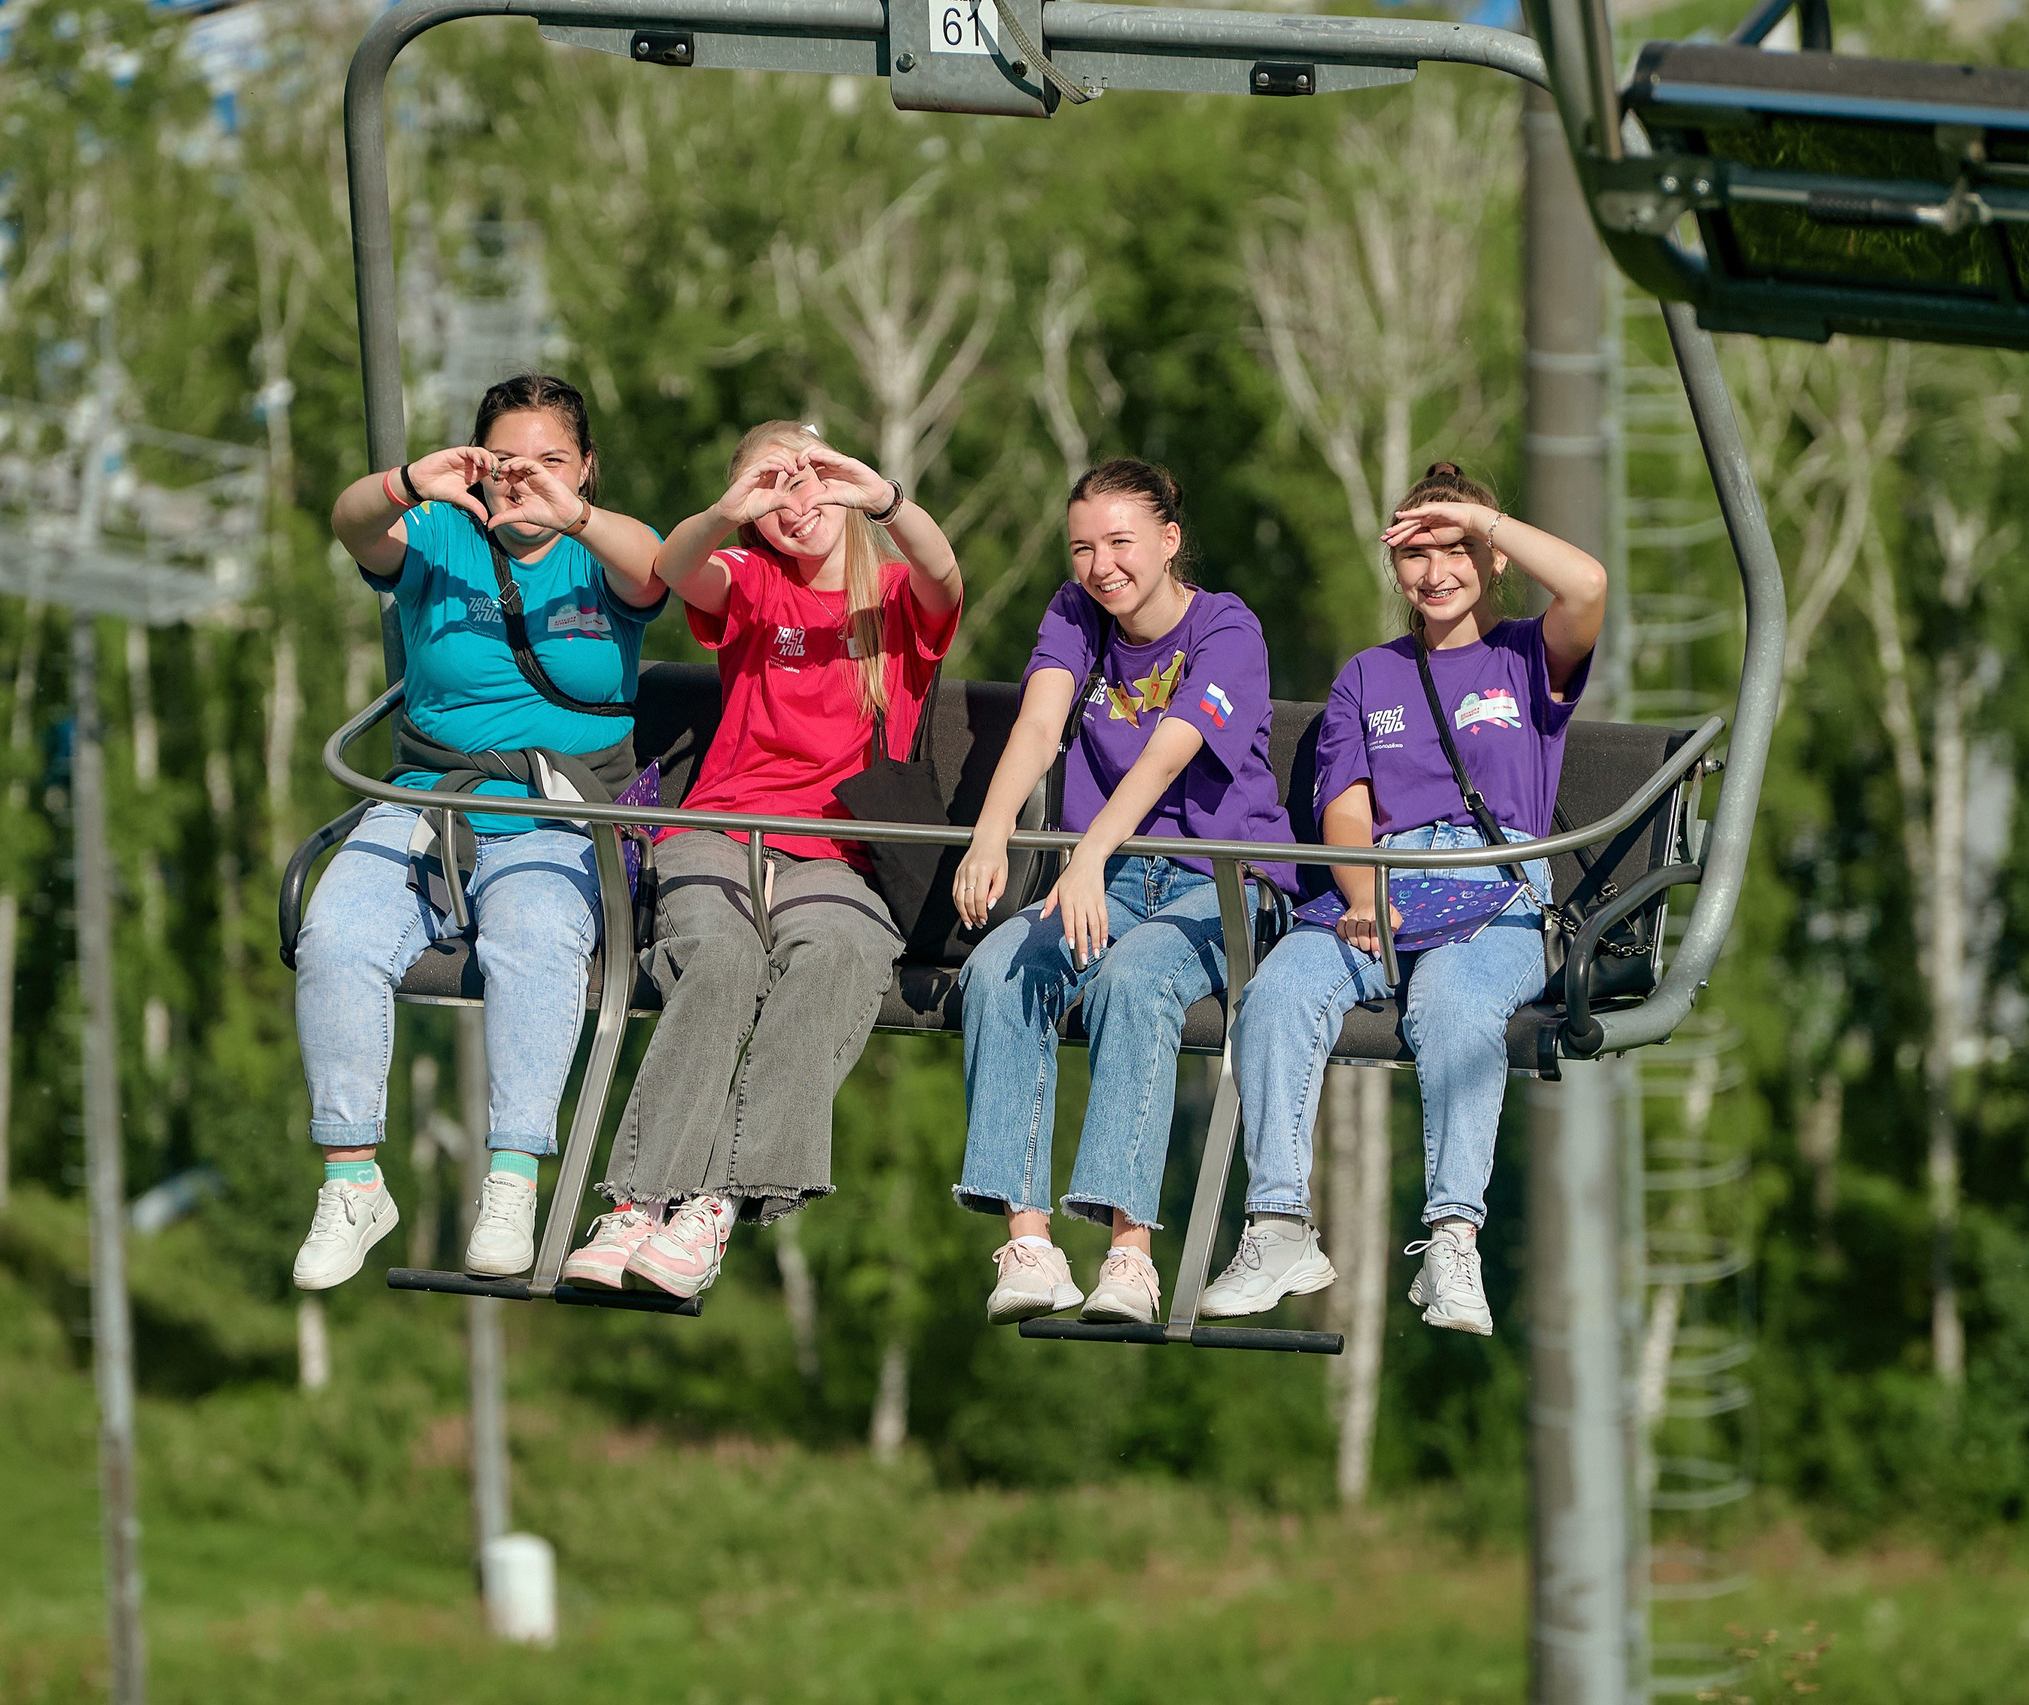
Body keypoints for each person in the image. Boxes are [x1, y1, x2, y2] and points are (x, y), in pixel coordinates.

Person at [1203, 461, 1607, 1335]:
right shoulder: (1368, 677)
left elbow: (1588, 583)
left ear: (1490, 557)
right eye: (1418, 554)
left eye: (1457, 550)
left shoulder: (1529, 656)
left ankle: (1453, 1237)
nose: (1437, 573)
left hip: (1493, 887)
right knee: (1277, 992)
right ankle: (1277, 1224)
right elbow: (1346, 806)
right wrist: (1363, 894)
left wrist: (1475, 516)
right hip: (1387, 881)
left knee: (1454, 1003)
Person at [563, 423, 962, 1300]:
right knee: (723, 959)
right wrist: (731, 508)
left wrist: (881, 497)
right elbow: (674, 567)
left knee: (839, 958)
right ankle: (638, 1199)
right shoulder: (750, 580)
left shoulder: (889, 596)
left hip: (839, 853)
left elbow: (945, 575)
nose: (796, 503)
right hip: (721, 833)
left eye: (810, 479)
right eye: (773, 490)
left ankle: (716, 1199)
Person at [290, 375, 668, 1291]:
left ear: (585, 470)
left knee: (534, 933)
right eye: (507, 462)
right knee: (334, 934)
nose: (525, 480)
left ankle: (511, 1177)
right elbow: (348, 525)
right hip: (430, 799)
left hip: (557, 811)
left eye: (551, 461)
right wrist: (406, 483)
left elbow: (658, 566)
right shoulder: (440, 536)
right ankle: (351, 1178)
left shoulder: (598, 551)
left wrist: (572, 515)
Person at [948, 458, 1297, 1328]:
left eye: (1120, 543)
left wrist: (1089, 853)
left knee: (1136, 980)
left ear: (1169, 541)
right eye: (1082, 548)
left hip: (1217, 879)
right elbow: (1039, 722)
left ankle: (1129, 1252)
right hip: (1101, 876)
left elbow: (1169, 750)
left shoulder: (1226, 627)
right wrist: (990, 832)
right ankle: (1030, 1244)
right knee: (998, 971)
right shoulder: (1077, 617)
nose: (1101, 566)